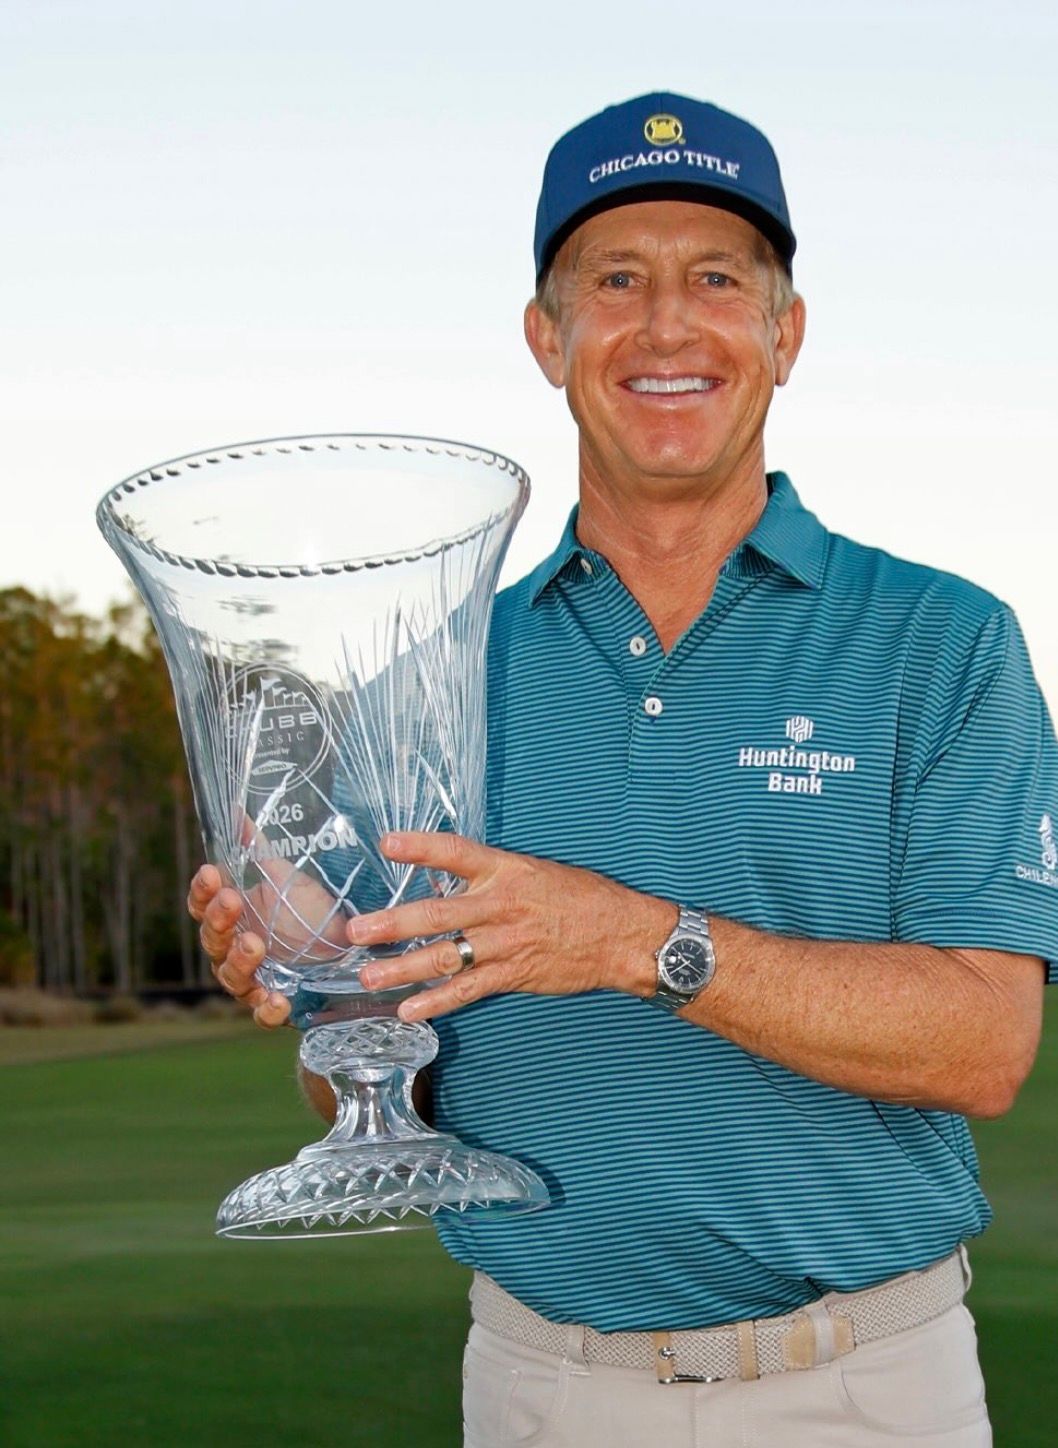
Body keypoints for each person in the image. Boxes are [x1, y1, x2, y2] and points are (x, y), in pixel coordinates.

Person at [189, 93, 1058, 1446]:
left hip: (861, 1389)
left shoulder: (939, 644)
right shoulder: (433, 675)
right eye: (614, 281)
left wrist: (639, 941)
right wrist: (322, 979)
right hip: (540, 1390)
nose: (665, 326)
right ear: (548, 336)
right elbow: (367, 1068)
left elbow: (983, 1043)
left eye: (716, 278)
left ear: (784, 333)